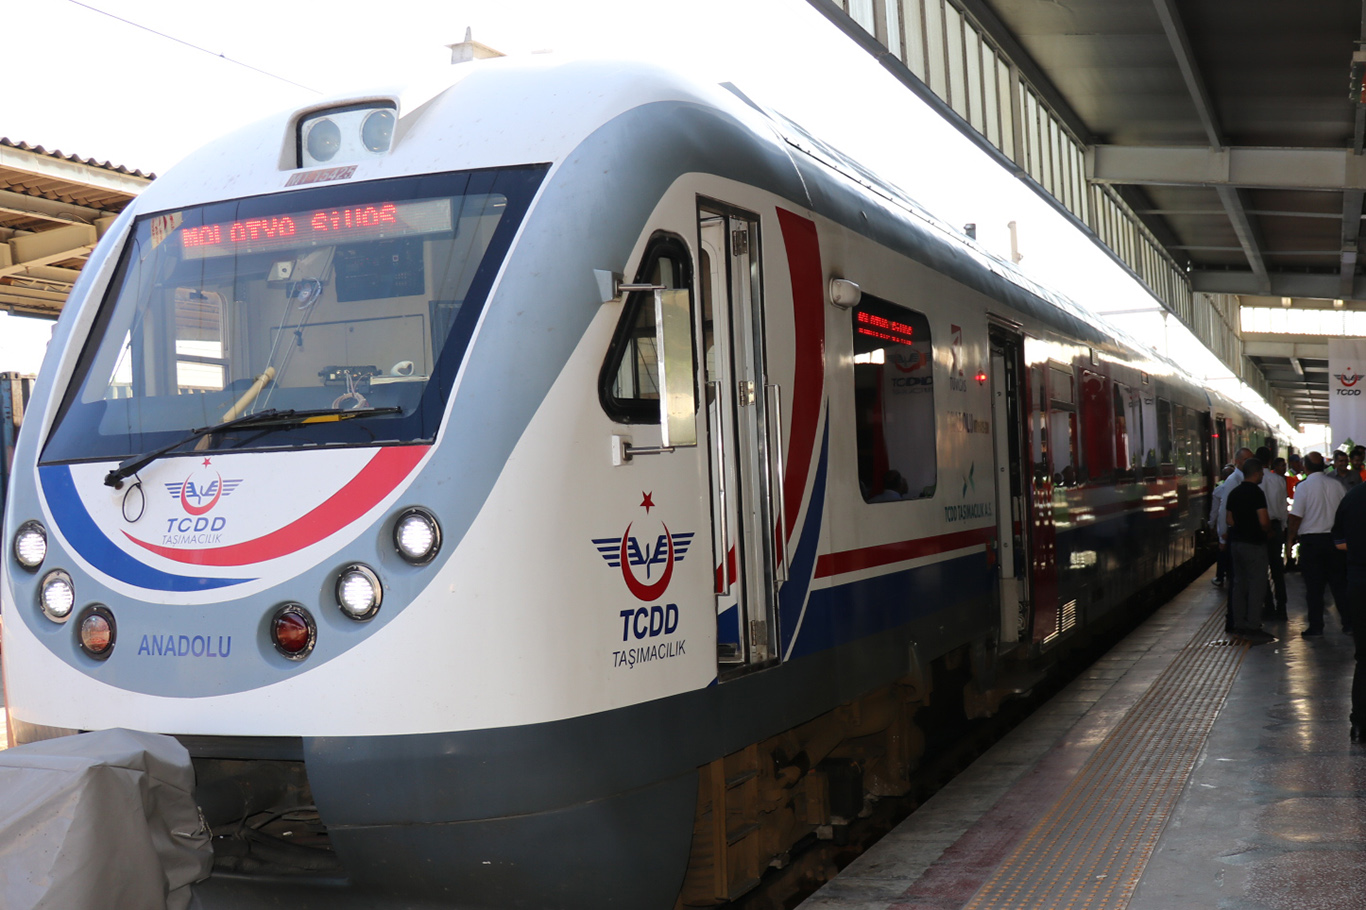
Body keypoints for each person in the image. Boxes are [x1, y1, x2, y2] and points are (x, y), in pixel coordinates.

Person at [1287, 451, 1349, 637]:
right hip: (1335, 542)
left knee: (1314, 587)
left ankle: (1316, 627)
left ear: (1305, 467)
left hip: (1312, 543)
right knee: (1339, 584)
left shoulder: (1303, 487)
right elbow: (1345, 513)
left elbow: (1296, 516)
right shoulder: (1337, 485)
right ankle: (1349, 623)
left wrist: (1290, 539)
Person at [1331, 482, 1366, 743]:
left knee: (1363, 657)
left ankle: (1359, 724)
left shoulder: (1352, 497)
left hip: (1359, 584)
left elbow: (1339, 543)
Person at [1226, 458, 1275, 643]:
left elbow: (1229, 520)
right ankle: (1253, 626)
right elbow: (1264, 521)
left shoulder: (1234, 492)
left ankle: (1239, 625)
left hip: (1236, 544)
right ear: (1256, 473)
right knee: (1257, 585)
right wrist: (1268, 531)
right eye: (1261, 473)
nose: (1262, 475)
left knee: (1239, 585)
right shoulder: (1257, 493)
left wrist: (1241, 527)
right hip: (1254, 545)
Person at [1261, 454, 1289, 618]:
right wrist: (1283, 527)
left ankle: (1268, 605)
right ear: (1270, 461)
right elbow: (1283, 506)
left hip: (1259, 528)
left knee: (1261, 569)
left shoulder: (1253, 481)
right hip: (1276, 526)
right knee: (1277, 568)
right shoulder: (1278, 480)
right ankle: (1282, 607)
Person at [1210, 464, 1234, 587]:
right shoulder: (1238, 486)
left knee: (1222, 552)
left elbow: (1216, 511)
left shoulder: (1219, 490)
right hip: (1236, 527)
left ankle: (1220, 577)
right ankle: (1230, 575)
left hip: (1224, 526)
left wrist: (1211, 524)